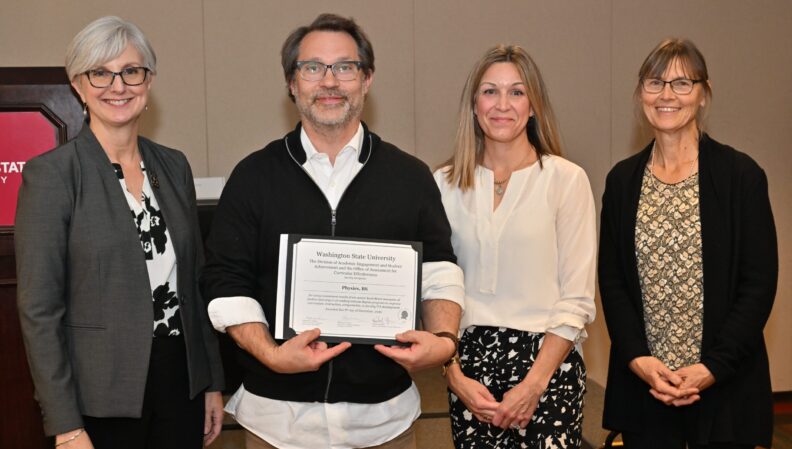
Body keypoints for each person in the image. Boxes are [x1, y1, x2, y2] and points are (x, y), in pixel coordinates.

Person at [200, 13, 464, 449]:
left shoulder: (410, 177)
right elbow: (225, 281)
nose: (329, 81)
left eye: (345, 67)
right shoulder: (253, 177)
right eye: (313, 68)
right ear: (291, 82)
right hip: (277, 424)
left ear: (367, 79)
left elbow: (438, 269)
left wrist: (443, 341)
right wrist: (270, 354)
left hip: (385, 422)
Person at [15, 16, 224, 449]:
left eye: (131, 71)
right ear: (77, 84)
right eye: (100, 72)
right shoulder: (52, 175)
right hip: (99, 396)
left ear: (147, 82)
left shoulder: (174, 165)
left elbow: (195, 284)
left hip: (181, 383)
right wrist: (65, 423)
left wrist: (210, 382)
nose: (118, 86)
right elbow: (39, 310)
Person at [598, 38, 777, 449]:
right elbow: (612, 282)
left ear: (703, 93)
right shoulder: (622, 181)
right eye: (654, 82)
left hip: (723, 386)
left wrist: (712, 367)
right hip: (646, 387)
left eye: (682, 83)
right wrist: (639, 361)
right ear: (640, 92)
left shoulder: (741, 176)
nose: (666, 95)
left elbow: (758, 285)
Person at [434, 44, 597, 449]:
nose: (502, 104)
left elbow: (577, 298)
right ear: (474, 105)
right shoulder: (444, 184)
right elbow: (434, 290)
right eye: (490, 91)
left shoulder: (566, 179)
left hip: (547, 368)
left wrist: (534, 384)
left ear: (534, 105)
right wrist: (454, 375)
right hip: (469, 371)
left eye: (517, 92)